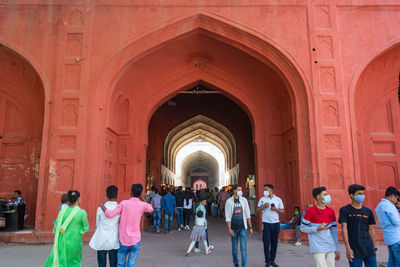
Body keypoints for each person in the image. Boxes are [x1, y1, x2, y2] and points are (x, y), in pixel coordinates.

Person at [100, 184, 153, 267]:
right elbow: (151, 209)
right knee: (131, 264)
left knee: (121, 264)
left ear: (130, 192)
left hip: (123, 239)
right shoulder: (142, 205)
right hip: (135, 239)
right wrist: (142, 199)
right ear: (140, 194)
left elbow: (110, 214)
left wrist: (102, 206)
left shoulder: (124, 203)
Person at [44, 190, 89, 267]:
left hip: (62, 239)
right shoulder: (82, 212)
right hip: (75, 240)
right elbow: (85, 227)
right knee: (74, 260)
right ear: (78, 199)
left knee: (61, 259)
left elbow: (56, 227)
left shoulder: (62, 211)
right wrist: (80, 231)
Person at [339, 184, 377, 267]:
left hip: (369, 249)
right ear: (351, 195)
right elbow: (344, 229)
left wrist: (374, 246)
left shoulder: (368, 211)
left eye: (363, 193)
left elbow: (371, 229)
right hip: (354, 249)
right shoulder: (344, 210)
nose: (362, 196)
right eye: (359, 194)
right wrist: (347, 248)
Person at [301, 186, 340, 267]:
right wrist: (317, 228)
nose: (328, 196)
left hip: (330, 245)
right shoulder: (310, 211)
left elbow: (334, 230)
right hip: (317, 246)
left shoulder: (331, 211)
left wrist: (336, 247)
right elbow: (303, 228)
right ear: (318, 197)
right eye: (325, 194)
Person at [90, 185, 120, 267]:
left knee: (101, 264)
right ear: (117, 195)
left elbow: (97, 224)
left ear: (106, 195)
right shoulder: (119, 208)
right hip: (113, 240)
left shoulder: (100, 208)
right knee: (113, 264)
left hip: (101, 239)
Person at [256, 184, 284, 267]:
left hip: (276, 223)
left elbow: (283, 211)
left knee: (274, 243)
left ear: (271, 190)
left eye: (266, 189)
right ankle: (267, 261)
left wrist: (276, 209)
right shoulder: (262, 199)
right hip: (266, 223)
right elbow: (257, 210)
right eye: (264, 189)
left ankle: (272, 260)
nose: (264, 191)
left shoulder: (278, 199)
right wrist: (263, 207)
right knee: (266, 243)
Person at [225, 184, 253, 267]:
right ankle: (236, 262)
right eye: (239, 190)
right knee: (234, 248)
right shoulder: (229, 201)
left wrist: (250, 227)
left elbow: (247, 214)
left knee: (243, 248)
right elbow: (227, 217)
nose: (241, 191)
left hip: (243, 228)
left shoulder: (244, 200)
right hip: (233, 228)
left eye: (241, 190)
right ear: (234, 191)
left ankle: (244, 265)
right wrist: (229, 229)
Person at [375, 186, 400, 267]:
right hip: (396, 238)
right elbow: (396, 222)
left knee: (392, 261)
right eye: (397, 198)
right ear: (392, 196)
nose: (397, 201)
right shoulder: (389, 206)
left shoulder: (380, 205)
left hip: (389, 237)